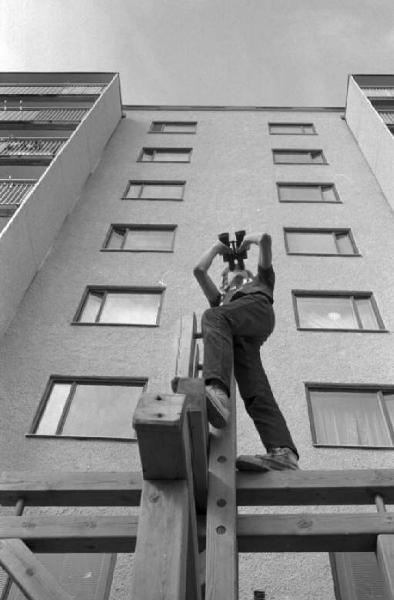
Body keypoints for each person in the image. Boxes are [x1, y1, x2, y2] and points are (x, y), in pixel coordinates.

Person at [193, 232, 299, 471]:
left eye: (242, 273)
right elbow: (199, 270)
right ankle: (283, 454)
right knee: (255, 390)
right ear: (223, 283)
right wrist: (215, 248)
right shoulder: (221, 299)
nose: (234, 274)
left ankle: (218, 392)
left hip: (258, 311)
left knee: (212, 316)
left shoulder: (261, 281)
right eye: (227, 275)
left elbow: (265, 239)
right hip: (243, 339)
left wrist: (248, 241)